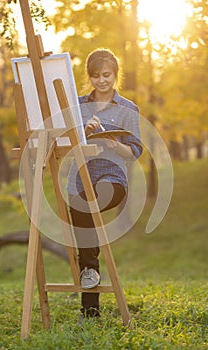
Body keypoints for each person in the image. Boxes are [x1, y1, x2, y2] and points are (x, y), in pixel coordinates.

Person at [67, 48, 143, 318]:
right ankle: (90, 304)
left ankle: (89, 271)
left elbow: (134, 152)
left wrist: (109, 140)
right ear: (90, 77)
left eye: (106, 75)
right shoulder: (76, 104)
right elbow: (64, 144)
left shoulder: (127, 109)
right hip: (81, 177)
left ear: (116, 75)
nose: (101, 81)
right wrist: (83, 134)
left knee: (90, 199)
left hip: (112, 179)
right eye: (96, 76)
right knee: (81, 202)